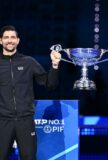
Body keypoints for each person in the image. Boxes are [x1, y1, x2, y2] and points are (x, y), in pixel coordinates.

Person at [0, 25, 61, 160]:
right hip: (2, 122)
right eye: (6, 37)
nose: (9, 40)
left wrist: (55, 65)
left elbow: (50, 84)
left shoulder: (28, 62)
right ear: (0, 41)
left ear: (18, 40)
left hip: (25, 121)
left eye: (12, 37)